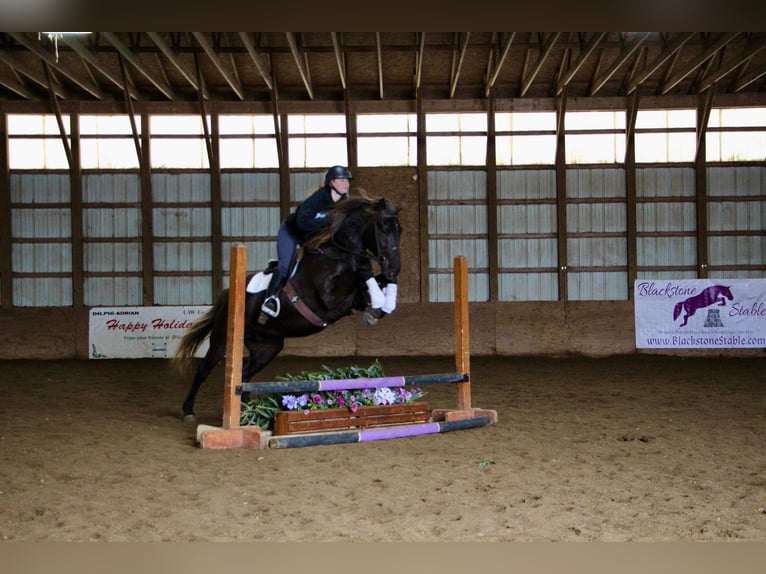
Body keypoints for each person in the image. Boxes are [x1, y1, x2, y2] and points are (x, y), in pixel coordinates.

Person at [258, 165, 386, 323]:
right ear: (331, 183)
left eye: (347, 180)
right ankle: (269, 300)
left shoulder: (343, 201)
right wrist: (327, 220)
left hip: (312, 236)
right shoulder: (318, 198)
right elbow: (302, 222)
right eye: (342, 180)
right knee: (284, 266)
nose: (346, 184)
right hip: (292, 232)